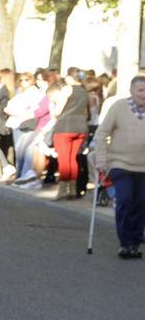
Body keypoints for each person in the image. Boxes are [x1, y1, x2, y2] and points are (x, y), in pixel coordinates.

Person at [89, 74, 145, 259]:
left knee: (141, 204)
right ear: (131, 91)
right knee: (126, 200)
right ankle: (125, 242)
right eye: (140, 90)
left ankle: (135, 243)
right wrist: (102, 159)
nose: (143, 94)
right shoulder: (119, 107)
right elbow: (102, 133)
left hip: (143, 167)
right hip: (121, 163)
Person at [51, 67, 89, 200]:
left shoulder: (67, 89)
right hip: (80, 126)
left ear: (69, 77)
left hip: (65, 126)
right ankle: (72, 189)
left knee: (64, 159)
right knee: (73, 159)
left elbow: (58, 110)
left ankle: (62, 189)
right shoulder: (85, 91)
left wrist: (53, 107)